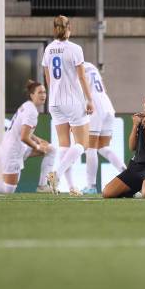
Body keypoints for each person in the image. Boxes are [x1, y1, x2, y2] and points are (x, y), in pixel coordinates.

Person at [0, 81, 55, 194]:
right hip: (13, 151)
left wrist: (38, 140)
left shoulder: (27, 105)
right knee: (8, 190)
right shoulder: (31, 111)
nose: (43, 95)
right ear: (32, 95)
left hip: (18, 148)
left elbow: (23, 130)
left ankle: (42, 186)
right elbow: (24, 137)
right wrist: (38, 146)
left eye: (45, 92)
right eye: (40, 92)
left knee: (51, 149)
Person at [42, 15, 94, 196]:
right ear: (69, 28)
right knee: (83, 144)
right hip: (73, 101)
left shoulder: (48, 50)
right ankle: (56, 173)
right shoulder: (75, 49)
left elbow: (48, 79)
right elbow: (81, 77)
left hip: (55, 102)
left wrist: (55, 96)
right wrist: (89, 99)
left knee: (64, 145)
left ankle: (71, 187)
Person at [81, 61, 126, 194]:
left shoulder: (76, 68)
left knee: (91, 147)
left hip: (95, 105)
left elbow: (79, 87)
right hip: (107, 104)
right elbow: (103, 88)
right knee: (103, 147)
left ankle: (91, 186)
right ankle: (125, 171)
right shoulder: (91, 66)